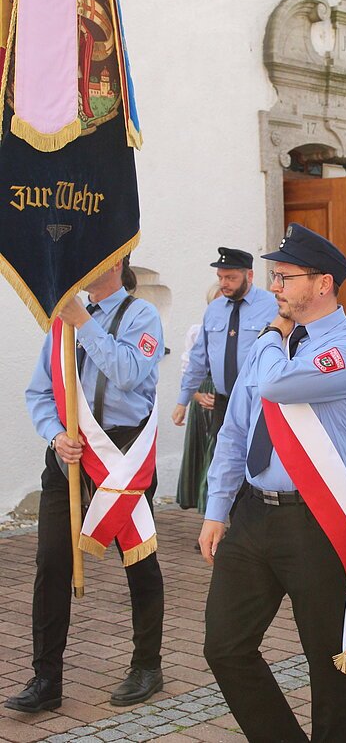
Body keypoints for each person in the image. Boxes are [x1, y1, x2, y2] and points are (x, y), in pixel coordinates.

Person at [199, 223, 346, 743]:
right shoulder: (271, 343)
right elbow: (236, 430)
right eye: (274, 276)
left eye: (285, 276)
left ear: (322, 283)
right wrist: (216, 509)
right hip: (253, 514)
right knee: (225, 648)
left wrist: (272, 335)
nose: (274, 286)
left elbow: (278, 386)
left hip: (315, 520)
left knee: (328, 662)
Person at [5, 257, 165, 714]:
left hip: (122, 455)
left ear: (116, 262)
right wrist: (55, 434)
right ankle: (46, 679)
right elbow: (39, 391)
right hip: (68, 456)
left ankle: (147, 666)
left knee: (138, 560)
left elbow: (129, 373)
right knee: (51, 563)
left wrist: (85, 324)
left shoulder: (140, 315)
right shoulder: (62, 319)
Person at [171, 248, 276, 444]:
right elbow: (199, 358)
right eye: (220, 277)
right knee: (222, 458)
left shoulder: (272, 306)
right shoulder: (214, 309)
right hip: (223, 403)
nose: (223, 283)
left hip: (258, 403)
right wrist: (182, 401)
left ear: (249, 275)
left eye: (230, 278)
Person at [176, 283, 222, 513]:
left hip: (226, 395)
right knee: (204, 453)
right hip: (203, 394)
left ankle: (218, 514)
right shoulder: (198, 332)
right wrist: (195, 396)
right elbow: (189, 369)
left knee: (219, 455)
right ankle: (208, 515)